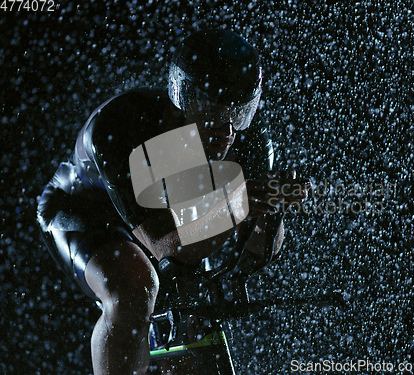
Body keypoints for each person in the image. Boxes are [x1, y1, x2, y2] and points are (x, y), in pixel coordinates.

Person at [37, 29, 310, 375]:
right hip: (85, 210)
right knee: (135, 288)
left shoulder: (252, 139)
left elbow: (257, 251)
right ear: (183, 98)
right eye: (212, 111)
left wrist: (270, 210)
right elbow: (169, 243)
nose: (226, 132)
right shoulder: (121, 128)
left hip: (161, 208)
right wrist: (238, 205)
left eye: (238, 114)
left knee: (192, 298)